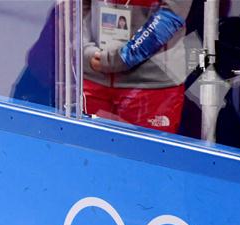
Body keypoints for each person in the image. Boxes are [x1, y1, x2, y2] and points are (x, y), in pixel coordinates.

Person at [83, 0, 193, 134]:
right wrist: (85, 51)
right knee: (88, 152)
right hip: (93, 78)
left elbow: (171, 14)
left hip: (152, 85)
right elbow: (75, 7)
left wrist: (123, 57)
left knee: (145, 153)